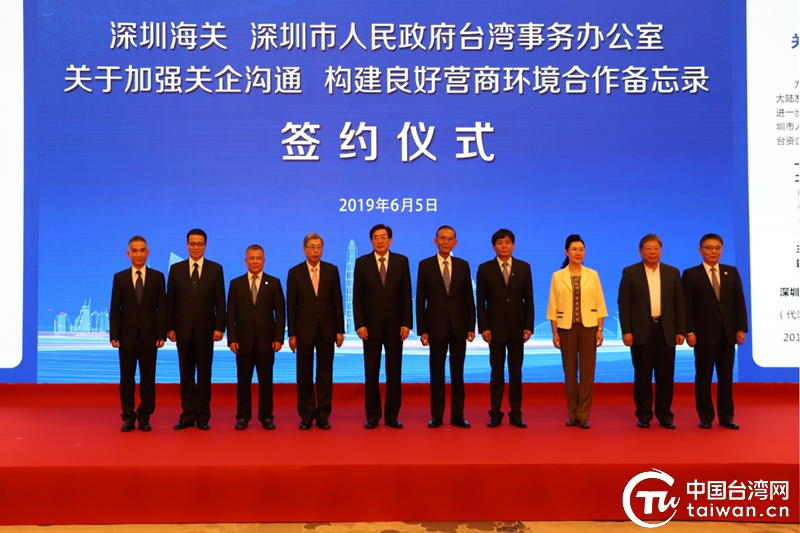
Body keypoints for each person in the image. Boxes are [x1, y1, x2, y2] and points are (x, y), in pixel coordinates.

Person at [617, 234, 686, 429]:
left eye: (656, 248)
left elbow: (679, 303)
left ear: (661, 251)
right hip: (641, 331)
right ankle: (644, 415)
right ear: (640, 251)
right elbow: (624, 304)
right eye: (648, 248)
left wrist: (680, 330)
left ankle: (665, 415)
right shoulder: (630, 272)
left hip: (666, 330)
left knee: (666, 376)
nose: (652, 252)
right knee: (643, 375)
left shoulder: (672, 272)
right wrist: (626, 331)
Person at [682, 233, 748, 430]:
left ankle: (726, 417)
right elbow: (687, 306)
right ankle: (706, 417)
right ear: (700, 250)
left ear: (722, 250)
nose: (713, 251)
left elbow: (739, 302)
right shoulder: (691, 274)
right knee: (703, 378)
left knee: (726, 378)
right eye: (709, 248)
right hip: (703, 335)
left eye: (717, 248)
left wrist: (741, 328)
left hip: (727, 334)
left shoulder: (731, 272)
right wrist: (689, 331)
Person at [353, 223, 413, 429]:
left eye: (384, 237)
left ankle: (392, 415)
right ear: (371, 241)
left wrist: (406, 322)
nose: (380, 241)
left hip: (396, 327)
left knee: (394, 372)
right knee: (371, 373)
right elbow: (357, 297)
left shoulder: (401, 261)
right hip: (370, 328)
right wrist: (360, 324)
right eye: (376, 237)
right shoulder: (362, 263)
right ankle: (372, 416)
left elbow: (406, 294)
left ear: (390, 240)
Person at [416, 225, 476, 429]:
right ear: (435, 241)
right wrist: (422, 329)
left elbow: (469, 298)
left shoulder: (463, 265)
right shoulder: (425, 265)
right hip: (435, 327)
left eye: (450, 239)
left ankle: (458, 415)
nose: (445, 242)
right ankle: (437, 416)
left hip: (459, 327)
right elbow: (420, 300)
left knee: (458, 373)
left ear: (455, 243)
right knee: (437, 373)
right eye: (442, 238)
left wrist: (471, 326)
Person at [546, 235, 607, 430]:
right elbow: (553, 305)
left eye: (581, 249)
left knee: (587, 373)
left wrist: (600, 329)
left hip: (589, 328)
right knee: (570, 373)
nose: (578, 253)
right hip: (566, 328)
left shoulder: (593, 274)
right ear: (566, 252)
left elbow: (600, 303)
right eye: (574, 249)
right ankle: (572, 414)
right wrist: (554, 332)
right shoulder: (557, 276)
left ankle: (584, 415)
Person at [166, 229, 226, 431]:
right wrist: (170, 327)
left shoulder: (215, 269)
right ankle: (187, 415)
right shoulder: (176, 270)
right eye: (192, 243)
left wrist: (219, 327)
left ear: (205, 246)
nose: (196, 247)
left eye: (200, 244)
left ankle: (202, 416)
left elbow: (220, 301)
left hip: (206, 331)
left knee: (204, 375)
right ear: (187, 245)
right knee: (186, 375)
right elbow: (170, 301)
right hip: (182, 330)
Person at [476, 229, 534, 428]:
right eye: (500, 242)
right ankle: (495, 414)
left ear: (513, 245)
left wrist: (528, 325)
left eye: (507, 242)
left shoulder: (524, 267)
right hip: (494, 330)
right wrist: (484, 327)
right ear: (494, 246)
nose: (504, 246)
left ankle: (516, 414)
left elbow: (529, 299)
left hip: (517, 329)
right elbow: (480, 301)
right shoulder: (485, 268)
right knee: (497, 373)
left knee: (516, 373)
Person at [286, 233, 344, 430]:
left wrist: (339, 330)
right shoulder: (295, 272)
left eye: (319, 247)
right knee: (304, 374)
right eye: (312, 247)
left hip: (327, 330)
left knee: (325, 374)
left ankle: (323, 415)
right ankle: (306, 415)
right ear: (304, 249)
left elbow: (337, 301)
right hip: (304, 330)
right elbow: (291, 305)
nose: (316, 251)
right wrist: (292, 334)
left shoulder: (331, 270)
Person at [109, 236, 166, 432]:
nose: (139, 254)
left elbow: (162, 308)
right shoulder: (120, 278)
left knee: (148, 379)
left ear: (147, 253)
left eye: (142, 250)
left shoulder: (157, 277)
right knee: (126, 379)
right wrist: (114, 335)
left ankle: (144, 417)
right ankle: (127, 417)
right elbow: (115, 308)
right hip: (126, 337)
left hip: (150, 337)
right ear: (128, 254)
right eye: (135, 250)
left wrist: (161, 334)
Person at [227, 244, 285, 430]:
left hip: (266, 342)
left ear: (264, 261)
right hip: (242, 342)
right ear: (245, 261)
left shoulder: (274, 283)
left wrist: (278, 338)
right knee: (243, 381)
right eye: (251, 258)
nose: (255, 261)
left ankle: (266, 417)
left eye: (258, 258)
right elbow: (231, 314)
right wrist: (232, 338)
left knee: (266, 381)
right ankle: (242, 417)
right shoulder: (236, 284)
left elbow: (280, 314)